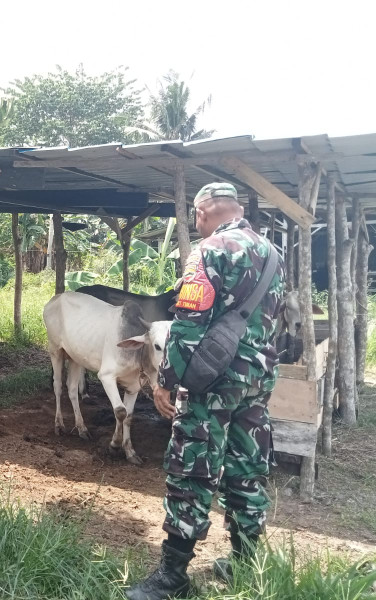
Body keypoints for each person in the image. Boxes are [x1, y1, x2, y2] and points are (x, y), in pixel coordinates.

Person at [126, 183, 286, 600]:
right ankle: (245, 563)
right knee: (246, 466)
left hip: (212, 382)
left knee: (192, 470)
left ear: (202, 213)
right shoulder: (272, 253)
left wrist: (166, 382)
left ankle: (173, 576)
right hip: (257, 380)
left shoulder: (210, 250)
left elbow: (187, 326)